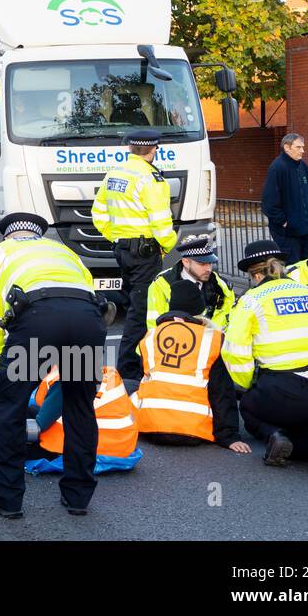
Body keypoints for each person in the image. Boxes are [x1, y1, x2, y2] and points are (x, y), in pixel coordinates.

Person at [0, 212, 107, 519]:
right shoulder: (64, 252)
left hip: (38, 320)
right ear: (39, 234)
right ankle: (78, 497)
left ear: (8, 236)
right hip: (86, 321)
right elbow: (89, 294)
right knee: (79, 407)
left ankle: (5, 499)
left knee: (11, 409)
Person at [222, 240, 308, 476]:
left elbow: (235, 351)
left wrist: (247, 386)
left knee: (250, 408)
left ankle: (275, 436)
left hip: (281, 394)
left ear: (254, 275)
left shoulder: (251, 300)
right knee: (306, 426)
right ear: (282, 267)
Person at [91, 129, 176, 383]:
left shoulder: (116, 173)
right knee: (141, 312)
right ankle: (129, 369)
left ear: (130, 149)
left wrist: (116, 237)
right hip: (146, 253)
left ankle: (133, 362)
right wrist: (168, 245)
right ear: (153, 150)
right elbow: (161, 221)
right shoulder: (151, 179)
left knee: (134, 305)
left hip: (124, 251)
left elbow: (99, 213)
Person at [133, 280, 248, 452]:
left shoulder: (151, 335)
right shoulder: (212, 339)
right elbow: (222, 391)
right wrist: (229, 436)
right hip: (193, 430)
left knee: (132, 384)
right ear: (199, 310)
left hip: (149, 428)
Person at [144, 233, 235, 332]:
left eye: (210, 263)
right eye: (202, 264)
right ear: (186, 262)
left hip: (213, 342)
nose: (208, 268)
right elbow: (154, 325)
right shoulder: (161, 284)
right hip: (177, 343)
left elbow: (230, 320)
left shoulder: (221, 285)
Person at [260, 133, 308, 266]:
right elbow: (269, 201)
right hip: (288, 234)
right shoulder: (277, 167)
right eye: (298, 147)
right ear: (287, 147)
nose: (302, 151)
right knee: (293, 269)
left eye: (302, 147)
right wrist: (284, 222)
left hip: (307, 231)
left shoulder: (303, 166)